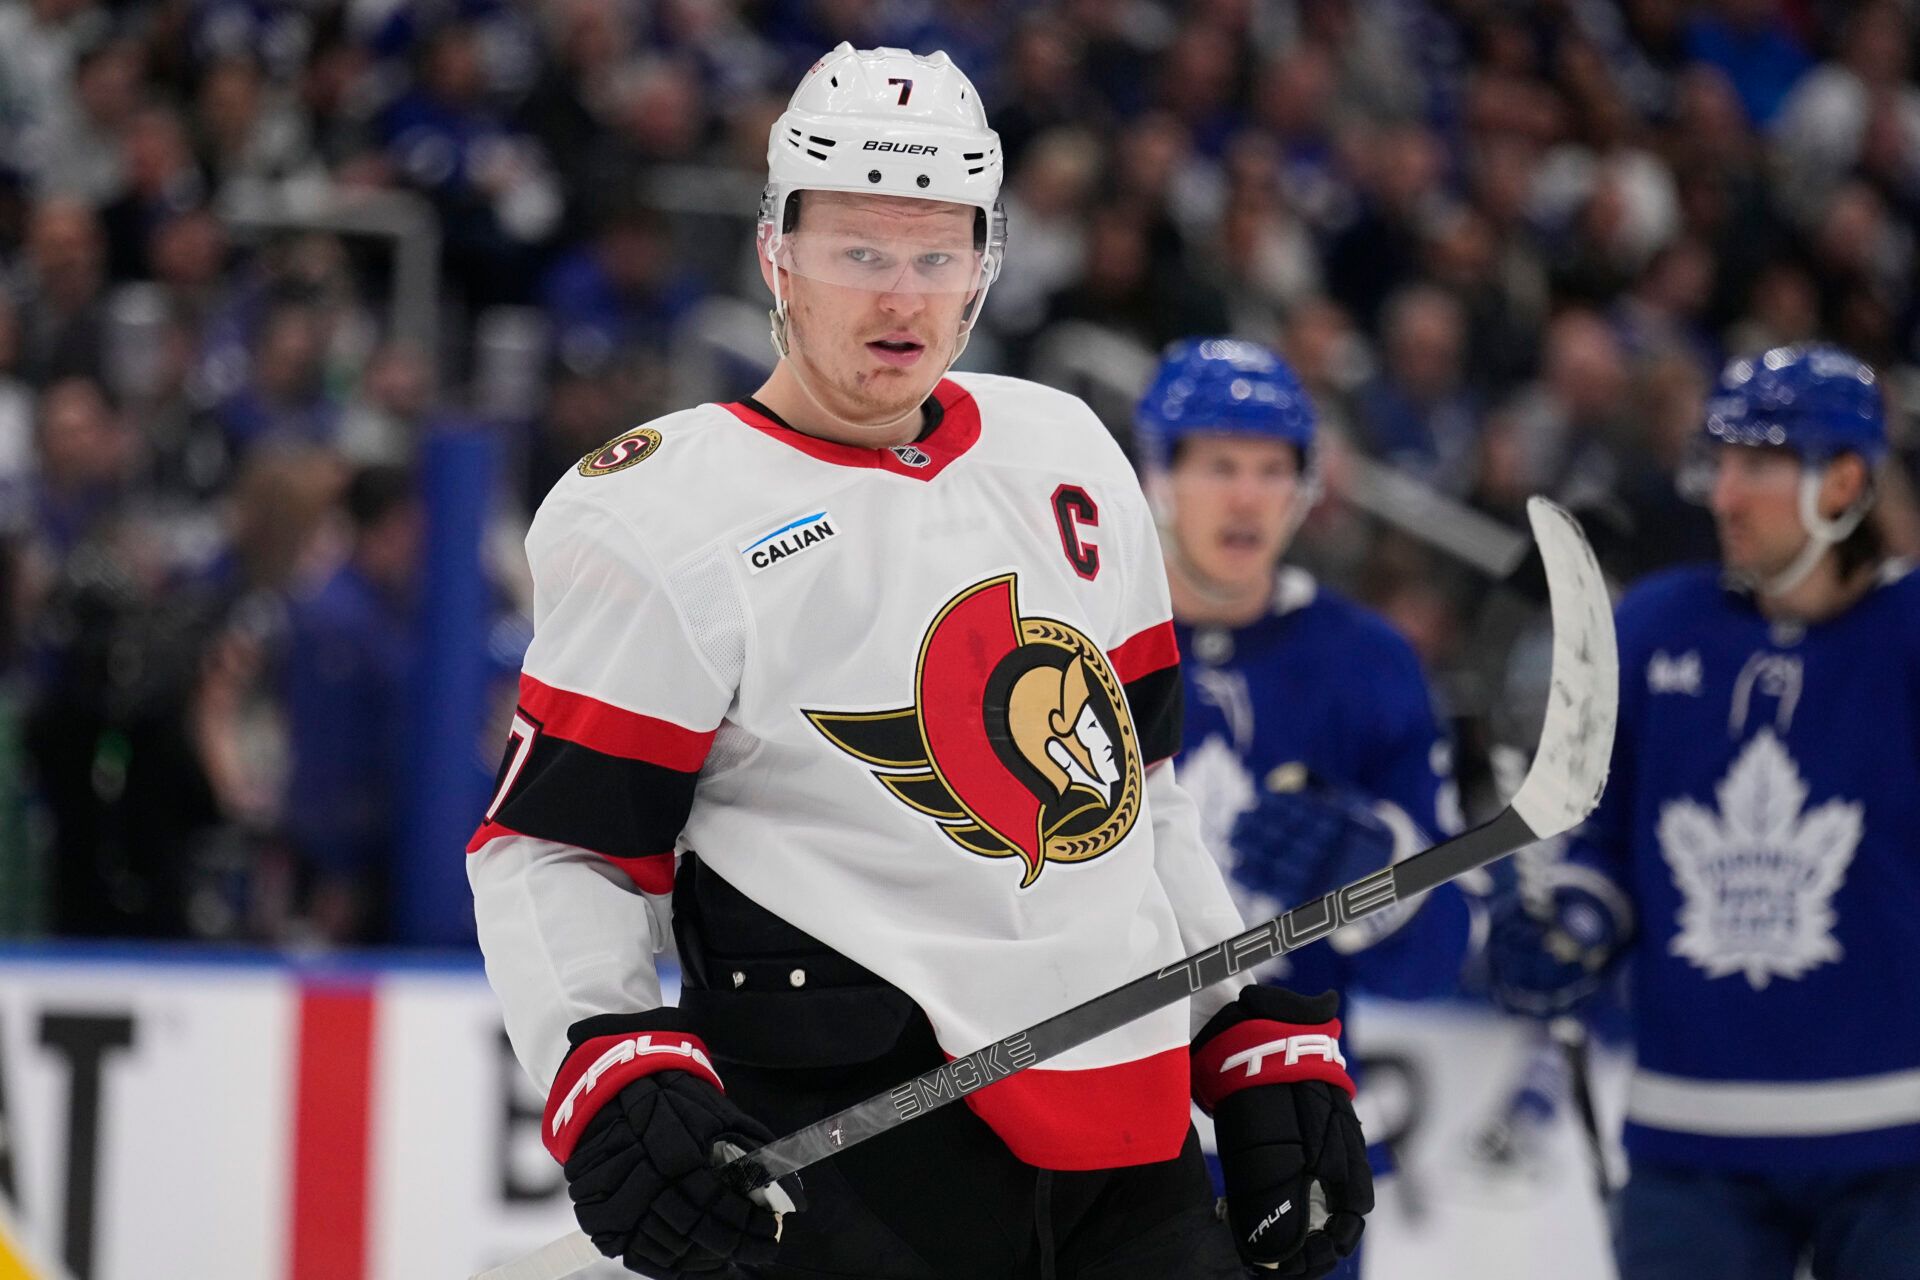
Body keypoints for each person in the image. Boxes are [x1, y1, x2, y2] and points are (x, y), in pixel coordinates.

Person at [468, 44, 1372, 1280]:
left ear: (985, 264)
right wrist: (609, 1061)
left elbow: (1138, 801)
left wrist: (1237, 1017)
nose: (901, 296)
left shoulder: (1064, 452)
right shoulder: (662, 509)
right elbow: (561, 842)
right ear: (775, 251)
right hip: (855, 1141)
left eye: (936, 254)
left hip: (1130, 1137)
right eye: (859, 252)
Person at [1488, 343, 1920, 1280]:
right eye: (1718, 463)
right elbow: (1602, 843)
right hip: (1692, 1141)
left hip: (1901, 1140)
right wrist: (1577, 920)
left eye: (1758, 466)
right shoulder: (1653, 626)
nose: (1723, 496)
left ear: (1842, 481)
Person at [1136, 339, 1480, 1279]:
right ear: (1155, 475)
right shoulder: (1068, 638)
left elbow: (1440, 955)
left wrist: (1380, 878)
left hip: (1290, 1152)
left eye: (1271, 469)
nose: (1246, 497)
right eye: (1217, 465)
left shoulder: (1368, 662)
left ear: (1304, 488)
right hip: (1098, 1152)